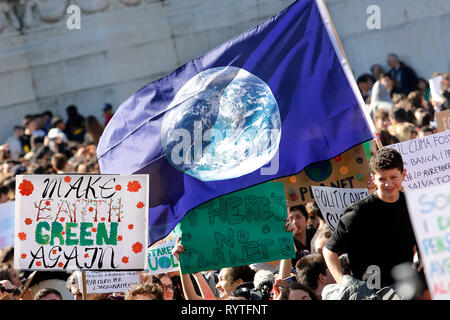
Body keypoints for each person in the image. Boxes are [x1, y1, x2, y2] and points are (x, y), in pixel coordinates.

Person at [323, 148, 418, 288]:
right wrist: (343, 284)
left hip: (408, 288)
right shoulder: (357, 212)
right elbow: (329, 250)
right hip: (371, 292)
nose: (388, 184)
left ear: (403, 174)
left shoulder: (414, 205)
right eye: (382, 179)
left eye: (393, 177)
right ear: (373, 178)